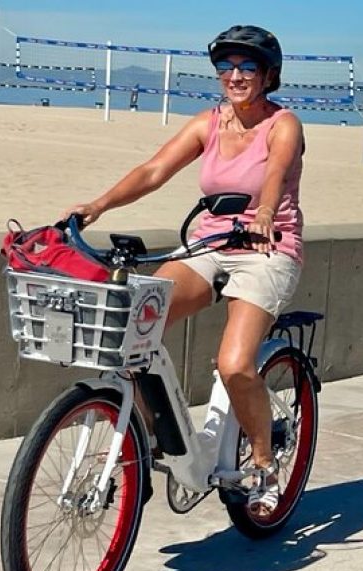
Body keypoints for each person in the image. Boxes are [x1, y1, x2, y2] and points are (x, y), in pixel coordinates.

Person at [64, 24, 305, 516]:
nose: (235, 76)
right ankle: (155, 440)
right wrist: (98, 205)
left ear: (268, 76)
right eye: (226, 68)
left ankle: (261, 464)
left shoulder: (283, 124)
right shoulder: (209, 123)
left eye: (247, 67)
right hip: (209, 243)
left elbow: (276, 171)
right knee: (132, 328)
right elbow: (154, 171)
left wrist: (263, 215)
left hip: (267, 248)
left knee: (236, 364)